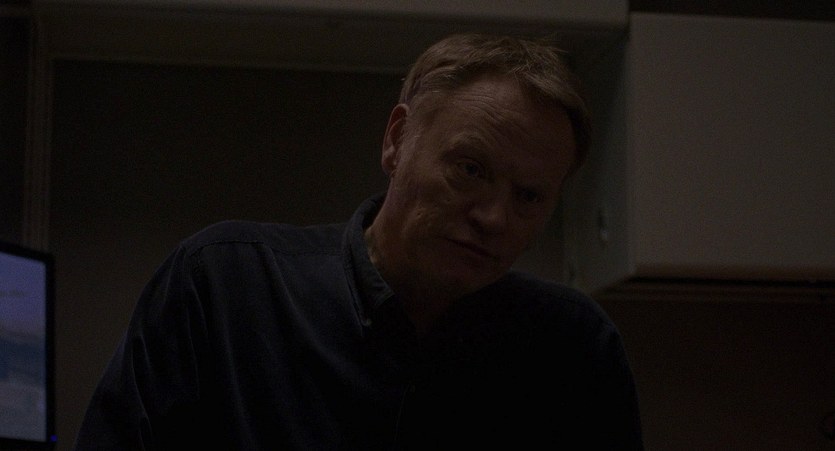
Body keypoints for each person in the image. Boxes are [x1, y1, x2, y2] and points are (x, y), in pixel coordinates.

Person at [74, 33, 643, 450]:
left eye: (529, 197)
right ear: (397, 140)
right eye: (470, 169)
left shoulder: (572, 348)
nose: (495, 217)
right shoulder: (227, 288)